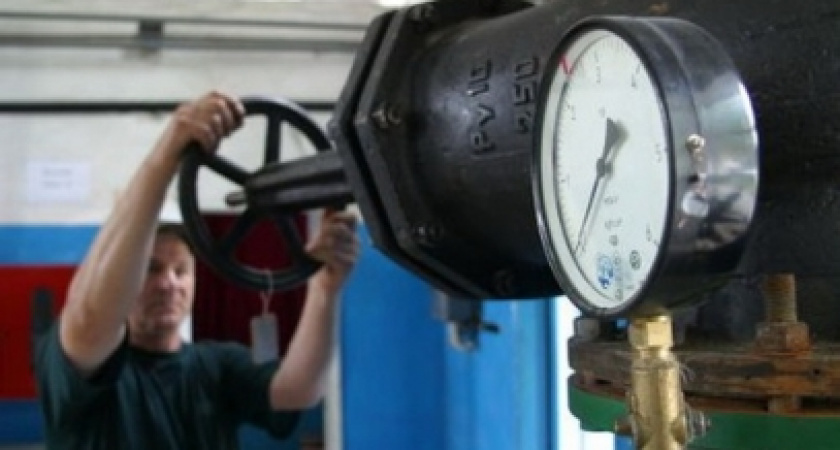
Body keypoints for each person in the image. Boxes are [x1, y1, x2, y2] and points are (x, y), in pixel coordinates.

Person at [34, 91, 360, 449]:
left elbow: (299, 390)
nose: (169, 283)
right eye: (152, 269)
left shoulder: (216, 365)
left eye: (181, 270)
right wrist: (164, 157)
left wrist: (325, 290)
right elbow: (89, 319)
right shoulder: (81, 366)